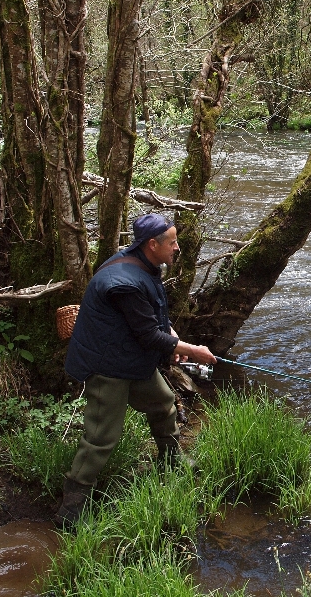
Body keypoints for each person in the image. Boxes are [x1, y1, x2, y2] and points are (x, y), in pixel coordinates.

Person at [55, 213, 217, 527]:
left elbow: (151, 316)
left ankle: (171, 461)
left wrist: (171, 334)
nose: (177, 247)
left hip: (130, 359)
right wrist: (192, 350)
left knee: (163, 403)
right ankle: (71, 512)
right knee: (101, 437)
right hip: (108, 367)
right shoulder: (124, 282)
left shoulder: (145, 264)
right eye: (172, 242)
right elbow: (147, 335)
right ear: (152, 244)